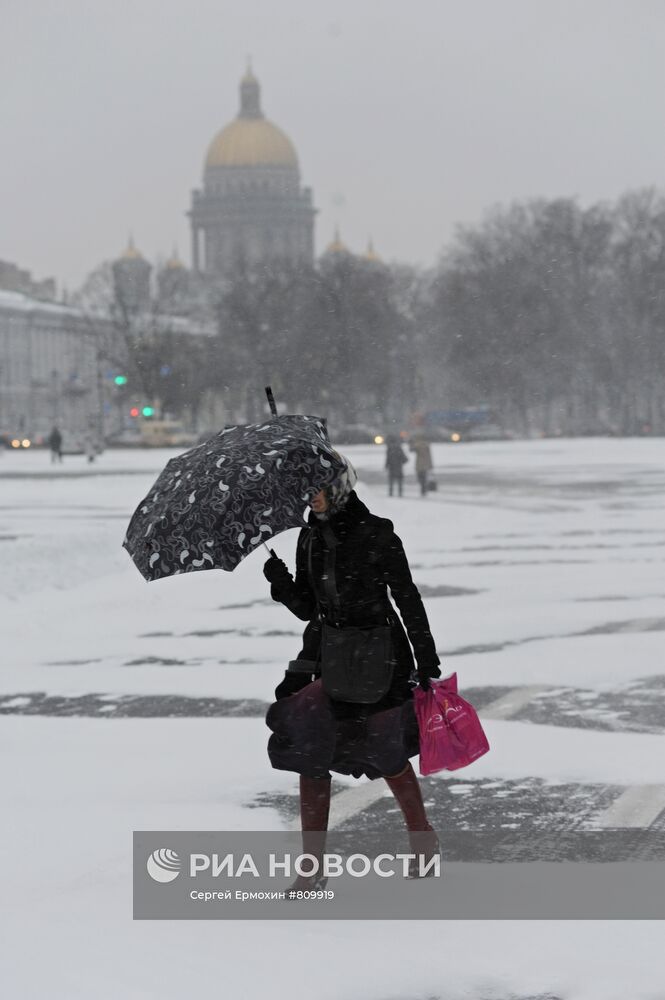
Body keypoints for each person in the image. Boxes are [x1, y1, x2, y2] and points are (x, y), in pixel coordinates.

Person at [263, 459, 442, 890]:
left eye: (320, 486)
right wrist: (281, 582)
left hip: (381, 655)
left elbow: (406, 597)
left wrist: (426, 659)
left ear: (340, 486)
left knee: (384, 748)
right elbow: (309, 607)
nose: (313, 495)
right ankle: (312, 867)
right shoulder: (309, 537)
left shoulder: (377, 532)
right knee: (311, 743)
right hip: (331, 656)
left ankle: (422, 839)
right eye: (307, 488)